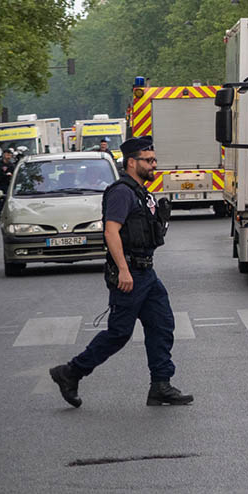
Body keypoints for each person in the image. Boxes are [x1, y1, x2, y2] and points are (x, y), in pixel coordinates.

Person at [49, 136, 192, 409]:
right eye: (148, 161)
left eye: (154, 160)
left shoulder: (141, 193)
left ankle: (161, 385)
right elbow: (111, 232)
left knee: (162, 325)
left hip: (147, 273)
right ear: (131, 162)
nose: (153, 165)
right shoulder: (121, 192)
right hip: (130, 274)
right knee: (118, 333)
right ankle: (70, 372)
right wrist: (124, 271)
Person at [0, 149, 16, 221]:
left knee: (6, 199)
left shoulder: (11, 165)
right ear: (3, 155)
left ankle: (6, 214)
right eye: (7, 154)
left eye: (9, 155)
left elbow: (14, 174)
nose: (8, 156)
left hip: (8, 184)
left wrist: (11, 176)